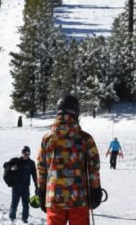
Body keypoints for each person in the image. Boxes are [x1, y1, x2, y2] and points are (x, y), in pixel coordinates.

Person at [37, 95, 103, 224]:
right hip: (78, 198)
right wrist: (95, 190)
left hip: (54, 198)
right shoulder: (85, 139)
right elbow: (93, 168)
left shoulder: (47, 139)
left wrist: (41, 190)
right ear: (76, 112)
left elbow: (41, 168)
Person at [5, 146, 37, 223]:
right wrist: (11, 168)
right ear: (22, 153)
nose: (25, 154)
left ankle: (24, 219)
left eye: (27, 152)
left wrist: (37, 186)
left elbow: (35, 176)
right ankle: (12, 219)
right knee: (14, 203)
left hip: (25, 187)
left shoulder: (31, 163)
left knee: (26, 204)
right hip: (16, 187)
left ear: (29, 153)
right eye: (24, 152)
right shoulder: (17, 161)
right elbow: (5, 165)